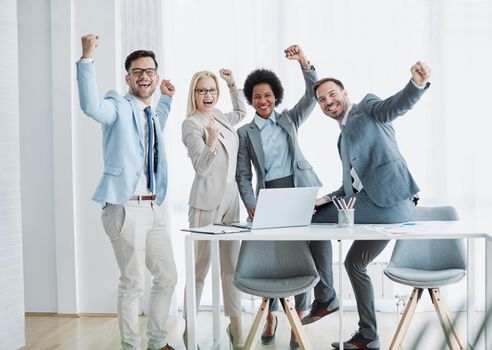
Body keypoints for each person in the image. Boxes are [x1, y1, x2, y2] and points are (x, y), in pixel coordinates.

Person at [310, 61, 432, 350]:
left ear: (344, 92)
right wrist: (323, 200)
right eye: (322, 100)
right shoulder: (342, 141)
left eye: (331, 94)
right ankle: (369, 336)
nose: (328, 101)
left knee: (312, 224)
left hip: (391, 202)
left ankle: (325, 296)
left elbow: (394, 106)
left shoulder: (367, 108)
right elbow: (348, 189)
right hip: (371, 204)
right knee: (355, 263)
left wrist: (415, 85)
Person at [76, 34, 177, 350]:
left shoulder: (149, 112)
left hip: (152, 208)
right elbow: (91, 107)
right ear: (127, 77)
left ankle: (157, 342)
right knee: (133, 284)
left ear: (156, 77)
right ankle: (131, 346)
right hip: (124, 206)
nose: (143, 76)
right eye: (137, 71)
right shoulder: (116, 105)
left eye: (149, 71)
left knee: (167, 277)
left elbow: (155, 122)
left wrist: (168, 99)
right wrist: (87, 57)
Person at [235, 44, 338, 349]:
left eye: (267, 95)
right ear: (251, 100)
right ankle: (271, 315)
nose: (263, 100)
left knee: (304, 250)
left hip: (300, 189)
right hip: (269, 198)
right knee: (273, 256)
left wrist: (304, 62)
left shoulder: (289, 119)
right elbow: (243, 175)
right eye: (256, 96)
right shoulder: (245, 133)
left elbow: (311, 94)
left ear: (275, 97)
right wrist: (251, 206)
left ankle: (301, 314)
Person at [181, 69, 247, 349]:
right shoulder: (191, 124)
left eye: (212, 90)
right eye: (201, 91)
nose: (207, 96)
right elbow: (202, 168)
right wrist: (209, 142)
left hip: (232, 199)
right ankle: (189, 329)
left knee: (232, 267)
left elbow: (241, 111)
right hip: (206, 200)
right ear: (193, 95)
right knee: (199, 268)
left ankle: (237, 327)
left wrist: (232, 83)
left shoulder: (221, 115)